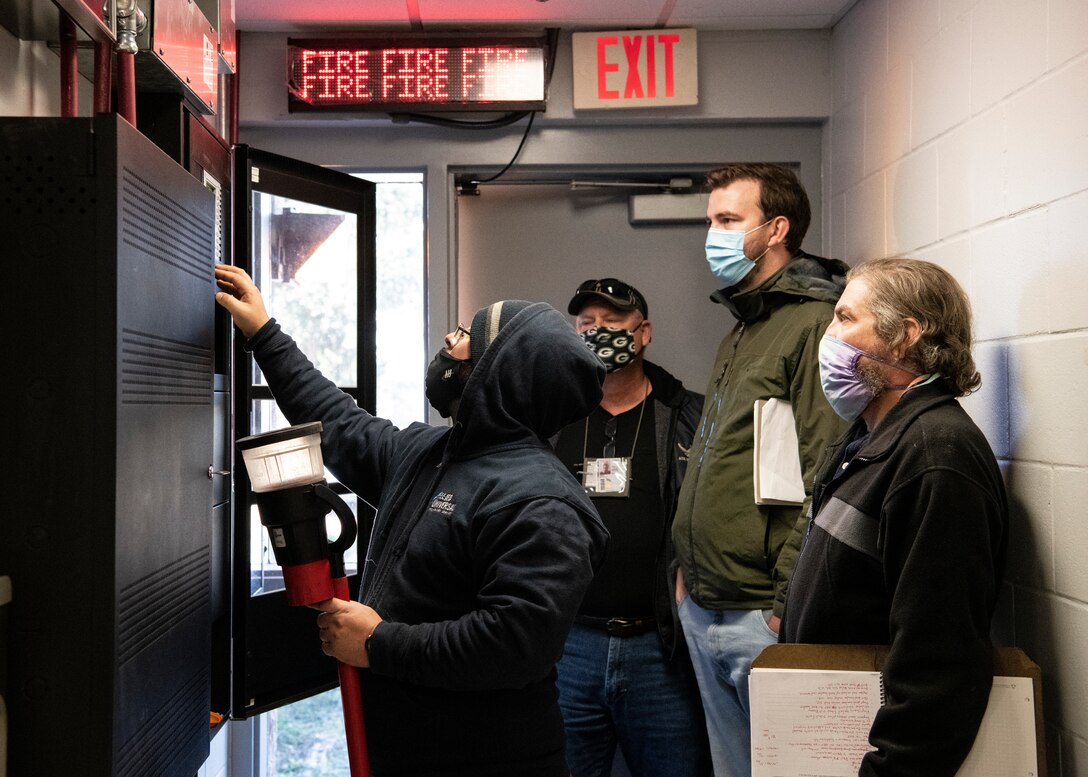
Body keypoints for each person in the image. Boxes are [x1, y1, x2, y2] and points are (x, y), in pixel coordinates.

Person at [214, 263, 609, 777]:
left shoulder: (542, 503)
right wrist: (263, 334)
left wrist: (378, 644)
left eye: (467, 335)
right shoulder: (430, 453)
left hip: (486, 760)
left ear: (500, 371)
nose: (450, 337)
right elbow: (337, 422)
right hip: (400, 749)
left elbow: (514, 646)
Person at [780, 257, 1009, 777]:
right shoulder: (872, 436)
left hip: (871, 749)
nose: (829, 335)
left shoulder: (935, 454)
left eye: (844, 317)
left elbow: (941, 659)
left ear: (904, 335)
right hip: (830, 726)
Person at [670, 162, 849, 776]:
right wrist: (686, 570)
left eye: (727, 220)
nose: (712, 235)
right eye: (710, 220)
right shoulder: (744, 327)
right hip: (704, 601)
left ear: (776, 229)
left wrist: (783, 599)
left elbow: (825, 471)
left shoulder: (815, 324)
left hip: (759, 612)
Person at [552, 278, 711, 777]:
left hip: (660, 649)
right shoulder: (552, 417)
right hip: (569, 646)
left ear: (643, 333)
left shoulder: (689, 416)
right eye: (586, 324)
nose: (597, 332)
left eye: (612, 321)